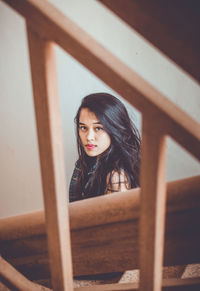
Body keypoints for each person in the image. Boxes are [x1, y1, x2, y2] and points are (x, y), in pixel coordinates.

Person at [69, 92, 140, 202]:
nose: (89, 137)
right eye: (83, 128)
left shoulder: (116, 177)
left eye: (98, 128)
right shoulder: (87, 161)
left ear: (114, 129)